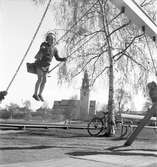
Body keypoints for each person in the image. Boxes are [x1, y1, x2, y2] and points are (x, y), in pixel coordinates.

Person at [33, 32, 67, 101]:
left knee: (44, 81)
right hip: (40, 64)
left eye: (52, 39)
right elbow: (42, 49)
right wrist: (43, 48)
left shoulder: (54, 49)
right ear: (47, 39)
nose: (51, 40)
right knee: (40, 79)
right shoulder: (44, 44)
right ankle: (35, 94)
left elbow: (57, 58)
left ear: (54, 40)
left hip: (46, 66)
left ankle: (40, 94)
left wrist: (63, 59)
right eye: (50, 39)